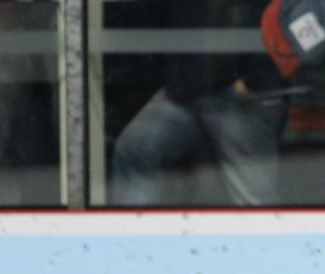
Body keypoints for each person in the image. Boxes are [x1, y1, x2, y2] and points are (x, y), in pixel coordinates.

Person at [111, 1, 287, 206]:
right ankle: (135, 224)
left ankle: (262, 228)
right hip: (187, 86)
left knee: (253, 193)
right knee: (134, 148)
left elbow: (286, 17)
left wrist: (256, 80)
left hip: (238, 94)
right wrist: (172, 73)